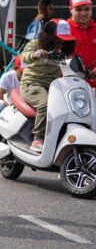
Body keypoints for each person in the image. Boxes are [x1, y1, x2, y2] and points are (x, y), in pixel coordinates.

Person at [20, 19, 76, 152]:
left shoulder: (63, 51)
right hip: (32, 83)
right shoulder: (35, 44)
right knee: (45, 104)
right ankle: (37, 139)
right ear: (49, 37)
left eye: (64, 40)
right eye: (57, 40)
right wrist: (35, 54)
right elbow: (24, 57)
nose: (61, 43)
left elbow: (71, 66)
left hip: (54, 87)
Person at [67, 0, 96, 81]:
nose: (83, 13)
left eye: (87, 9)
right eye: (78, 10)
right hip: (71, 85)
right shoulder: (64, 28)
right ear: (71, 9)